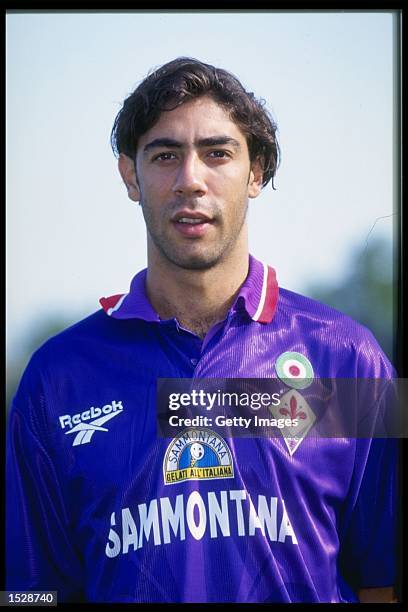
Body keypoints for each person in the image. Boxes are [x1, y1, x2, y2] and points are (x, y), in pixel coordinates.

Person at [6, 57, 398, 603]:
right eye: (165, 155)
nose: (191, 179)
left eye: (218, 153)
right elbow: (32, 592)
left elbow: (385, 578)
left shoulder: (347, 359)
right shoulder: (57, 379)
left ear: (256, 172)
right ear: (130, 176)